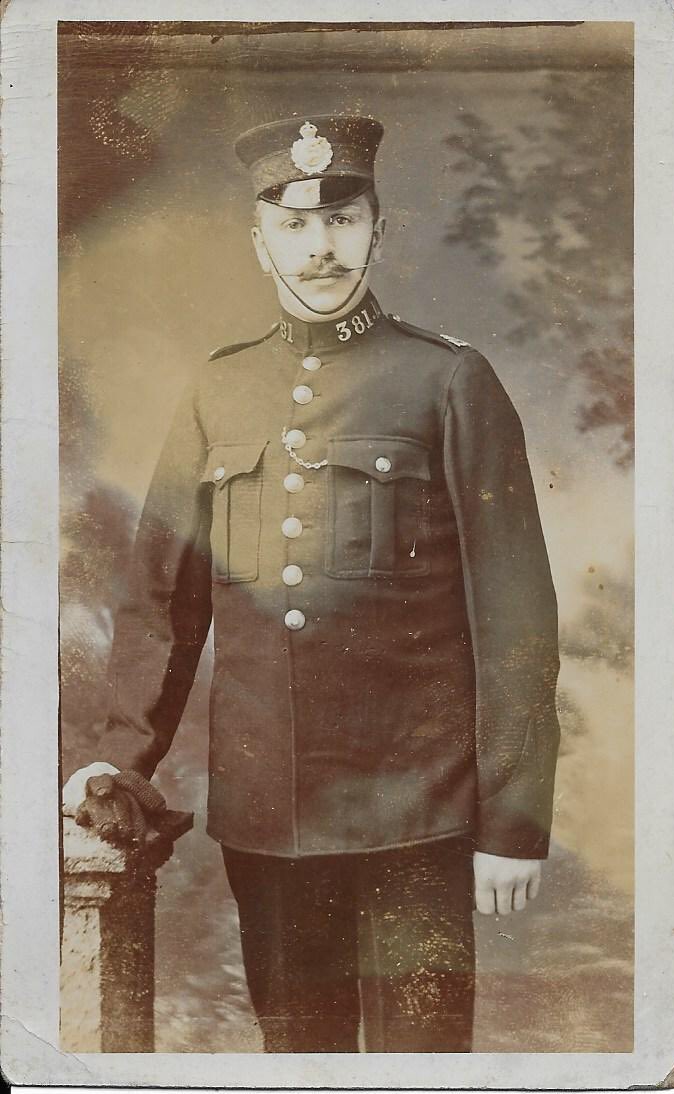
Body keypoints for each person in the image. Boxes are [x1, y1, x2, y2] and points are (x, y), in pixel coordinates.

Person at [63, 114, 561, 1053]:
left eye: (341, 219)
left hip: (420, 812)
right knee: (300, 1060)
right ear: (260, 242)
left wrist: (514, 820)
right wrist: (122, 757)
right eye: (292, 224)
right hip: (270, 817)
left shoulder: (448, 381)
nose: (319, 244)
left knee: (423, 1064)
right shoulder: (218, 392)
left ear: (378, 229)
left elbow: (516, 617)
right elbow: (163, 600)